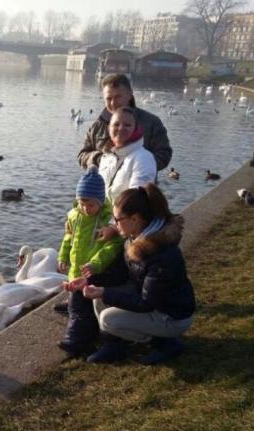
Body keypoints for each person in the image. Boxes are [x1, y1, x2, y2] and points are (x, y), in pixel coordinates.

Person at [54, 106, 158, 314]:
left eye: (127, 124)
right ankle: (80, 297)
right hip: (103, 219)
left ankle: (104, 308)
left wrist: (114, 225)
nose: (121, 129)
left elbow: (137, 197)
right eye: (116, 124)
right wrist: (76, 215)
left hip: (126, 225)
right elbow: (94, 192)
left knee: (111, 265)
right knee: (86, 256)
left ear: (136, 128)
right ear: (109, 127)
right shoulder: (107, 156)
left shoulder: (143, 157)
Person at [82, 183, 196, 365]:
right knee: (99, 296)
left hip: (171, 316)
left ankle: (164, 342)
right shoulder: (134, 239)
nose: (113, 224)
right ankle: (114, 345)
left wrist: (105, 292)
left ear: (134, 219)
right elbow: (120, 275)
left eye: (117, 219)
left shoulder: (161, 254)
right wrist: (89, 280)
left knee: (108, 318)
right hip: (154, 303)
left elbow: (146, 303)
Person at [56, 171, 126, 357]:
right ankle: (82, 339)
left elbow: (111, 247)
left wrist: (95, 264)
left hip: (94, 272)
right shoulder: (73, 216)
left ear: (101, 202)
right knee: (78, 307)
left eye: (91, 205)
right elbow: (68, 238)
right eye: (82, 204)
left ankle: (74, 341)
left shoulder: (106, 222)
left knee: (83, 308)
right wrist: (63, 256)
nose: (86, 209)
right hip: (76, 271)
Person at [78, 73, 172, 173]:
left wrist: (136, 163)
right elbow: (82, 155)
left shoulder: (151, 123)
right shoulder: (97, 126)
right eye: (109, 98)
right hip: (102, 182)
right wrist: (99, 159)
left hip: (139, 181)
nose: (113, 103)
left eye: (117, 97)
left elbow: (164, 154)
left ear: (130, 94)